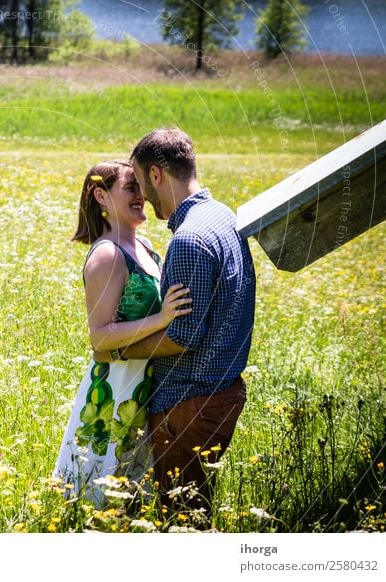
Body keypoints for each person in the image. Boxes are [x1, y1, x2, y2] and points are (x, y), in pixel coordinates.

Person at [96, 128, 256, 518]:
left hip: (190, 401)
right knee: (194, 509)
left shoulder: (188, 239)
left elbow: (181, 336)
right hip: (218, 391)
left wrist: (119, 350)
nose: (143, 197)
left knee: (180, 518)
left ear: (156, 175)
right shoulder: (221, 215)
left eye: (141, 180)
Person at [53, 160, 192, 506]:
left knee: (135, 495)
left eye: (141, 188)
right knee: (97, 495)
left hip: (144, 387)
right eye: (130, 188)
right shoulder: (106, 255)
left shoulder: (142, 246)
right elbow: (100, 336)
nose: (141, 196)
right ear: (101, 196)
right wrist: (162, 319)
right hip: (114, 390)